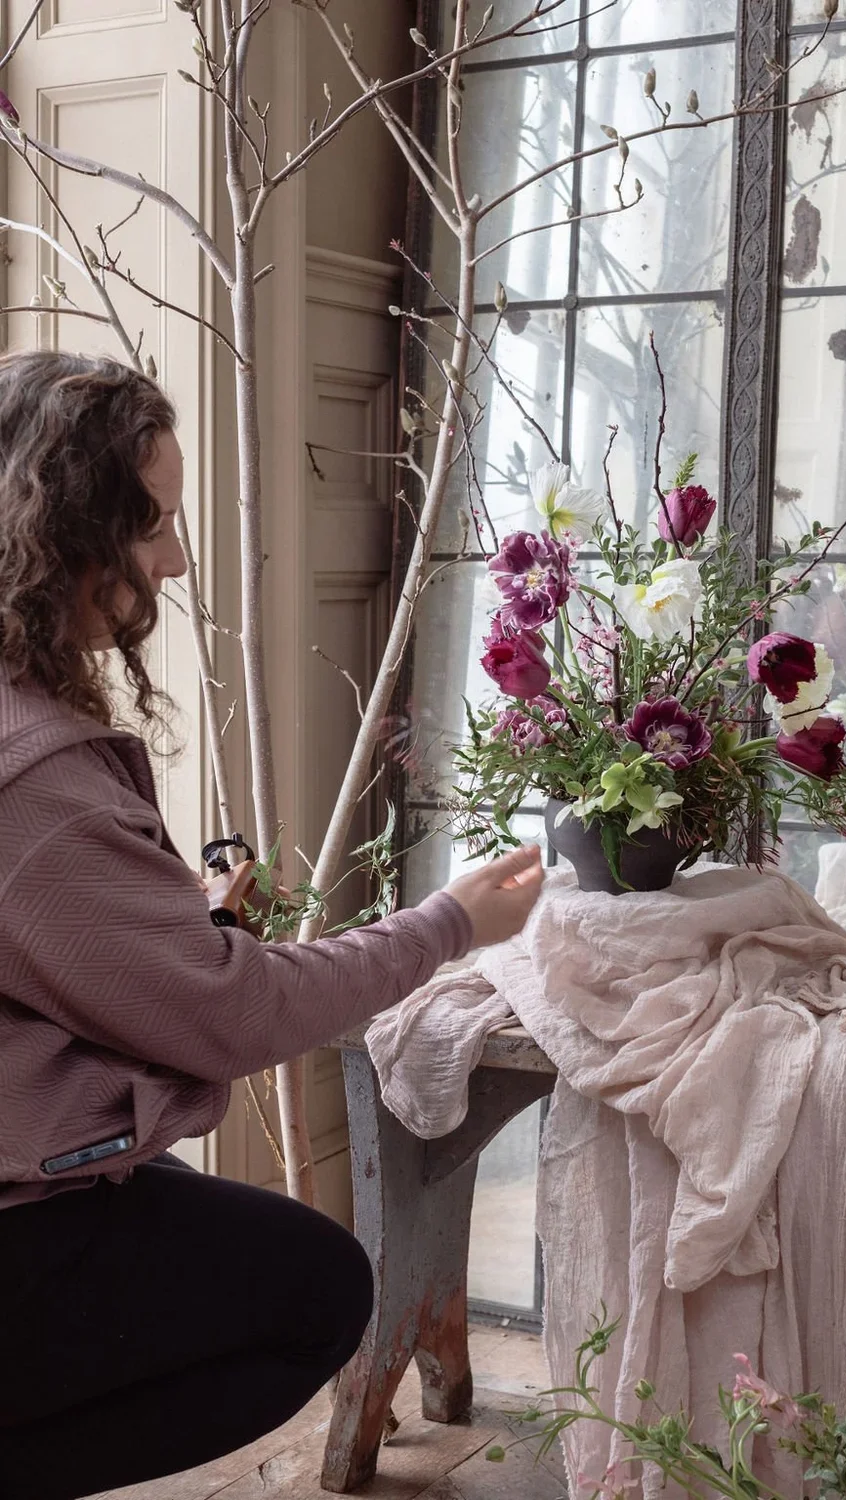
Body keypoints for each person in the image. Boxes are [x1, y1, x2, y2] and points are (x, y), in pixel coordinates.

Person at [0, 349, 544, 1500]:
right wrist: (451, 920)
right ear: (54, 530)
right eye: (148, 526)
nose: (177, 559)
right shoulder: (36, 782)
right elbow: (235, 1015)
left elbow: (57, 939)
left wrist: (179, 924)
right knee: (314, 1292)